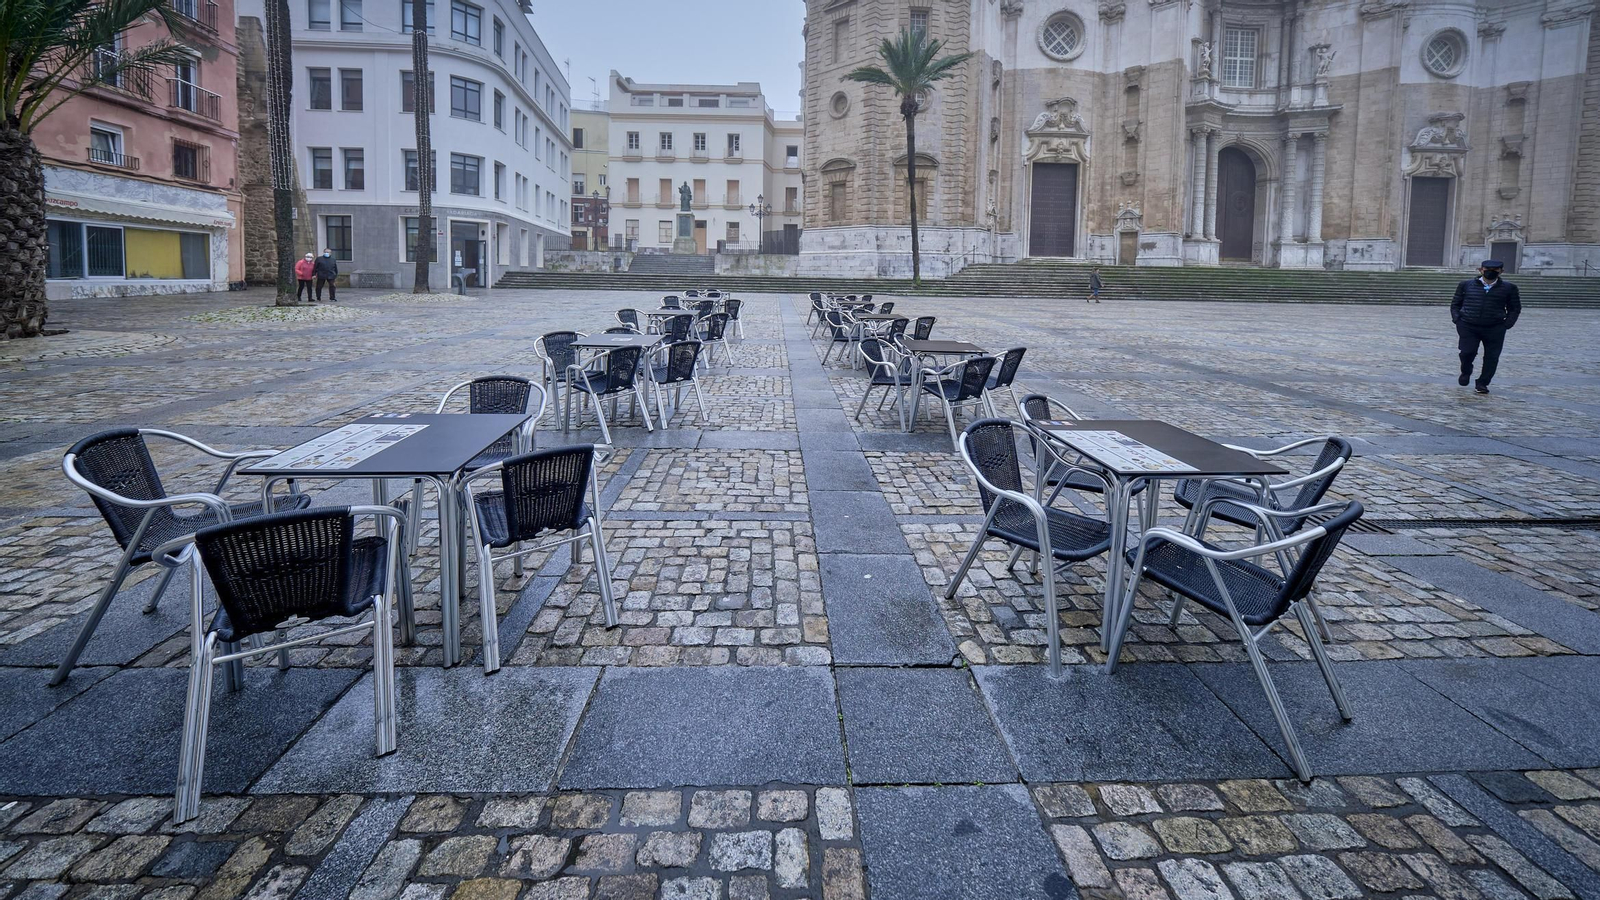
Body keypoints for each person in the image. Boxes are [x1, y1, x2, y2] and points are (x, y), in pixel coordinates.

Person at [1450, 259, 1521, 394]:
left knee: (1492, 357)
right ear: (1480, 270)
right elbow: (1455, 303)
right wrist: (1457, 319)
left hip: (1495, 327)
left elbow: (1515, 308)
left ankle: (1483, 383)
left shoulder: (1509, 288)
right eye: (1487, 269)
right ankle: (1466, 371)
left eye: (1495, 270)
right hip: (1468, 325)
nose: (1491, 272)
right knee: (1466, 352)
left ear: (1501, 271)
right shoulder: (1466, 285)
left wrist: (1507, 324)